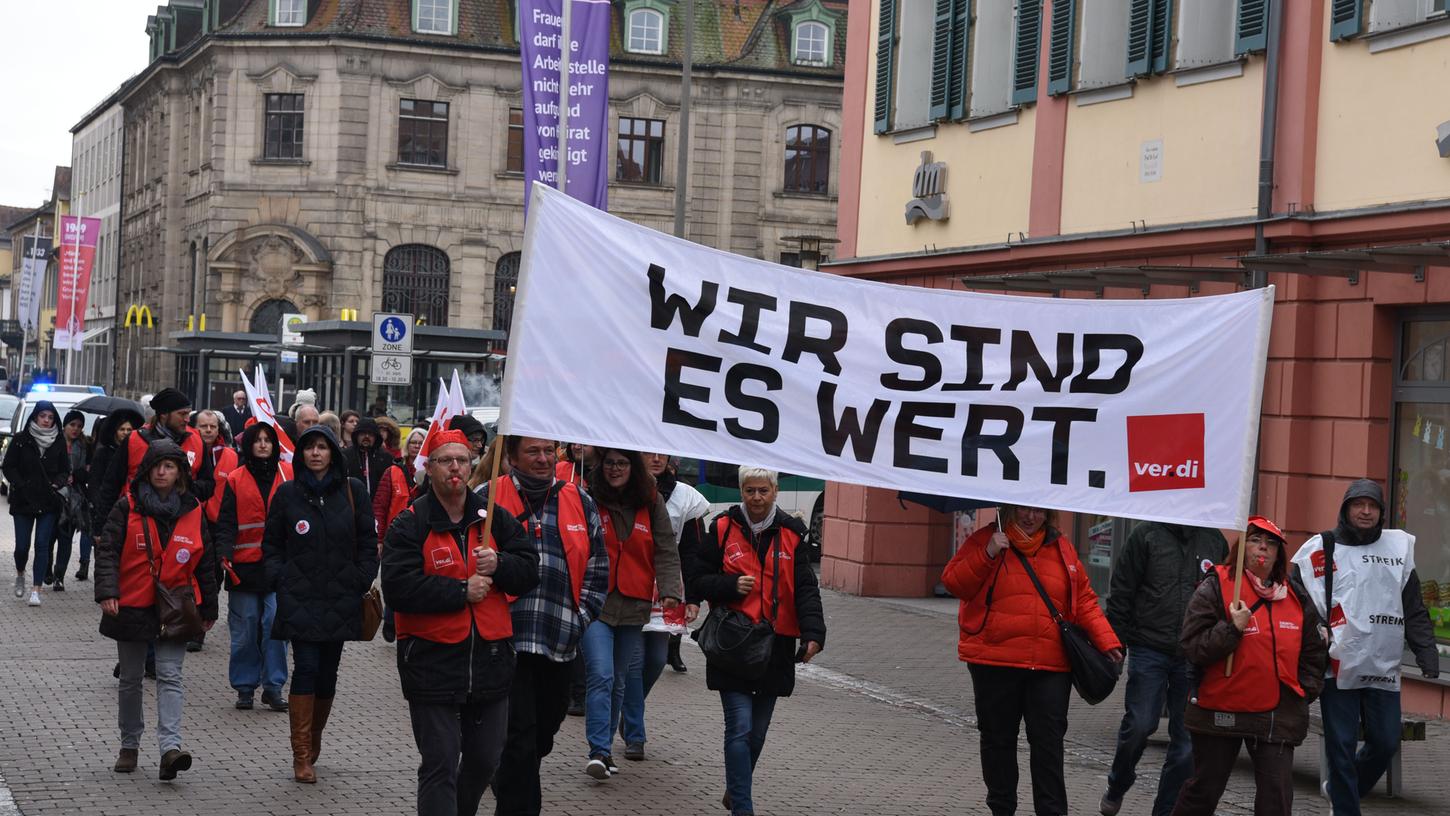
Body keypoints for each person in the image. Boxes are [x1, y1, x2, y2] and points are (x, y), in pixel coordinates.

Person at [382, 429, 540, 816]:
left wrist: (500, 564)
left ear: (472, 466)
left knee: (485, 760)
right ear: (429, 468)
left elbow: (529, 570)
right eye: (445, 460)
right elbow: (399, 588)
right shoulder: (410, 523)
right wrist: (459, 591)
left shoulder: (493, 519)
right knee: (440, 762)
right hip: (432, 660)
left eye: (463, 460)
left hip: (490, 659)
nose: (455, 468)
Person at [943, 505, 1121, 816]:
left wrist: (1107, 640)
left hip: (1050, 665)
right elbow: (955, 583)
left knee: (1048, 746)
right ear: (1009, 509)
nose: (1030, 516)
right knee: (998, 741)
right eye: (1024, 509)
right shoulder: (988, 539)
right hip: (996, 661)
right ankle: (1002, 808)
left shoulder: (1061, 547)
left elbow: (1084, 600)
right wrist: (987, 553)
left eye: (1038, 511)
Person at [1289, 479, 1439, 816]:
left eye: (1372, 506)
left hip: (1381, 666)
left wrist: (1426, 652)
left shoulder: (1397, 550)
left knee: (1385, 742)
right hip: (1336, 665)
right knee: (1340, 745)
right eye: (1359, 505)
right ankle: (1345, 808)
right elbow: (1298, 599)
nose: (1366, 511)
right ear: (1345, 509)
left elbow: (1413, 606)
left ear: (1382, 512)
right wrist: (1316, 631)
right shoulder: (1320, 548)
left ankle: (1345, 787)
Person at [686, 467, 826, 816]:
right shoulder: (721, 528)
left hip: (775, 645)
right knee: (740, 726)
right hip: (731, 642)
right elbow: (698, 578)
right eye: (750, 491)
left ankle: (736, 787)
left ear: (775, 491)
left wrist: (813, 634)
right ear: (741, 491)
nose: (757, 498)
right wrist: (729, 586)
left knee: (758, 732)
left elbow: (806, 589)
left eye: (763, 491)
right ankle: (742, 808)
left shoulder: (793, 534)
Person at [483, 435, 609, 816]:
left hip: (559, 639)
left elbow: (598, 568)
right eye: (532, 452)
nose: (542, 459)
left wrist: (581, 617)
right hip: (505, 640)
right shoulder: (487, 498)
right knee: (520, 735)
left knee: (542, 733)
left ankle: (503, 771)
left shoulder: (578, 498)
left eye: (548, 451)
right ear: (511, 458)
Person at [1173, 516, 1327, 816]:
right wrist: (1231, 630)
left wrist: (1305, 690)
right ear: (1242, 546)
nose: (1263, 549)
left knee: (1276, 799)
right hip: (1222, 707)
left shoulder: (1294, 595)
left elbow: (1313, 650)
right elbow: (1192, 645)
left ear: (1279, 554)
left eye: (1271, 544)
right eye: (1256, 540)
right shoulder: (1218, 586)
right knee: (1204, 791)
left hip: (1276, 714)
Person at [95, 438, 220, 780]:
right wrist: (107, 591)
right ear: (146, 471)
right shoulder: (127, 507)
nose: (162, 472)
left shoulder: (193, 509)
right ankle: (129, 745)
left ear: (180, 472)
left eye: (169, 466)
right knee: (132, 678)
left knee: (170, 676)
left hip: (175, 606)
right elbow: (107, 552)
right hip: (132, 603)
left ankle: (170, 749)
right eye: (156, 466)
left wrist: (209, 605)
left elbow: (205, 562)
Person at [262, 425, 378, 783]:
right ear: (300, 454)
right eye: (309, 447)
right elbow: (272, 545)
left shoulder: (353, 491)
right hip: (300, 597)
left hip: (341, 597)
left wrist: (360, 578)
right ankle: (301, 755)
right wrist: (281, 578)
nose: (316, 453)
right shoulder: (287, 494)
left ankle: (314, 741)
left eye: (322, 448)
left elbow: (368, 542)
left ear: (333, 453)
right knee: (306, 667)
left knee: (328, 673)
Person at [1100, 521, 1228, 816]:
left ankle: (1165, 810)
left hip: (1192, 655)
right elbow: (1121, 592)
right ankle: (1118, 783)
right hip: (1149, 646)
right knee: (1140, 726)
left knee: (1186, 746)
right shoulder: (1145, 535)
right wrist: (1115, 644)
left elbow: (1225, 595)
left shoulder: (1214, 539)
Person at [579, 448, 682, 772]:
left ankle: (605, 749)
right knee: (601, 674)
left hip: (635, 601)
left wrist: (669, 591)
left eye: (622, 463)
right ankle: (597, 750)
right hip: (595, 601)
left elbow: (665, 547)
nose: (614, 469)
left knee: (620, 679)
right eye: (609, 462)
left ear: (632, 466)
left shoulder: (650, 500)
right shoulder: (587, 497)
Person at [621, 452, 707, 754]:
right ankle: (635, 733)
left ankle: (628, 708)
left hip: (667, 588)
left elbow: (694, 552)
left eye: (662, 453)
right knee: (632, 662)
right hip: (628, 583)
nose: (656, 458)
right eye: (649, 453)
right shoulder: (623, 487)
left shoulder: (687, 497)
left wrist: (694, 597)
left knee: (657, 658)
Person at [214, 422, 293, 713]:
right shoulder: (235, 478)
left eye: (267, 440)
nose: (262, 444)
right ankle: (245, 687)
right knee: (245, 628)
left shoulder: (288, 475)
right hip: (243, 568)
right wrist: (222, 552)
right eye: (257, 440)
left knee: (274, 625)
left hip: (278, 567)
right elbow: (226, 521)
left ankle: (273, 687)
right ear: (249, 445)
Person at [96, 388, 212, 537]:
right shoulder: (134, 440)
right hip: (137, 523)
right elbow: (110, 485)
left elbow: (209, 484)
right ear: (164, 414)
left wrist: (183, 488)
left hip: (180, 526)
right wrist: (101, 528)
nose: (187, 419)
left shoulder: (196, 441)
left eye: (188, 414)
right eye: (182, 414)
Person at [2, 400, 69, 606]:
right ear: (35, 417)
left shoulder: (58, 440)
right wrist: (20, 484)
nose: (47, 420)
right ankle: (21, 573)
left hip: (48, 501)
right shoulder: (22, 439)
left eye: (50, 417)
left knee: (42, 545)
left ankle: (36, 589)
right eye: (43, 416)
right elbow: (8, 466)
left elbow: (65, 469)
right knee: (22, 546)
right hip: (23, 500)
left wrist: (57, 483)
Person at [85, 409, 142, 581]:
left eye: (129, 430)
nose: (125, 433)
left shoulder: (136, 452)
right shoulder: (103, 453)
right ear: (115, 432)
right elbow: (95, 482)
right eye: (122, 429)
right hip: (108, 507)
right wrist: (98, 504)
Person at [49, 409, 92, 592]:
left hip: (74, 498)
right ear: (65, 425)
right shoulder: (53, 441)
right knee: (48, 536)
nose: (75, 429)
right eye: (72, 425)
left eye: (79, 426)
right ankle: (46, 569)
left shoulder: (84, 446)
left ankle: (59, 575)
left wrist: (77, 476)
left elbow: (89, 470)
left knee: (66, 537)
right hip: (53, 495)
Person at [375, 427, 427, 536]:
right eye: (413, 442)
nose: (417, 446)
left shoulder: (432, 473)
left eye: (421, 443)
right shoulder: (392, 471)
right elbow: (380, 507)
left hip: (423, 533)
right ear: (407, 445)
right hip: (395, 533)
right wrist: (379, 538)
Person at [345, 416, 393, 499]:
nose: (366, 437)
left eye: (370, 434)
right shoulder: (346, 456)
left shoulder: (386, 458)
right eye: (363, 433)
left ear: (376, 437)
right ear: (356, 435)